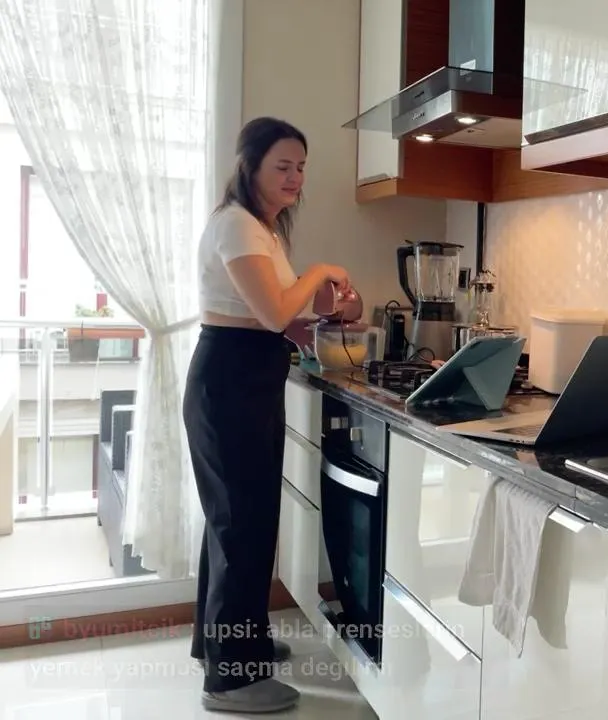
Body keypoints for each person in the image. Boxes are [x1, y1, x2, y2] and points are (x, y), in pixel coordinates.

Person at [185, 116, 349, 714]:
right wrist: (320, 273)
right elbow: (274, 311)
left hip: (246, 375)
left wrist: (307, 320)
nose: (295, 177)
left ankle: (231, 644)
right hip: (231, 381)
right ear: (250, 166)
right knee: (241, 526)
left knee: (237, 523)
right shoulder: (237, 224)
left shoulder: (261, 229)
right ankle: (229, 681)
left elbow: (265, 314)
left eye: (301, 167)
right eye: (283, 166)